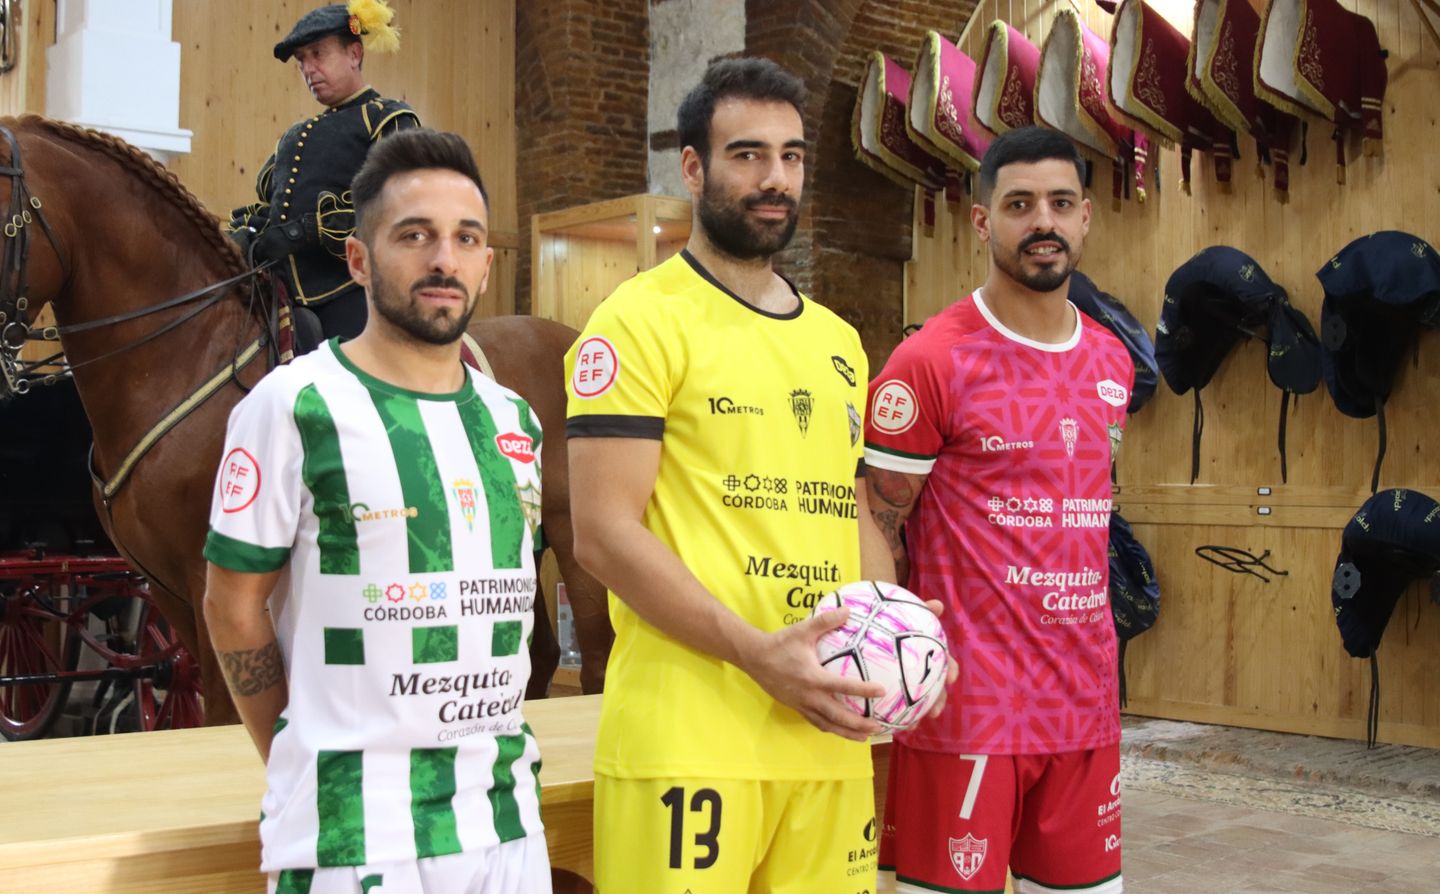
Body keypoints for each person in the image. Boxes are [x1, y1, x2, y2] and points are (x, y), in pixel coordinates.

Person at [564, 57, 947, 894]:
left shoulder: (839, 341)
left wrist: (902, 637)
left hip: (826, 738)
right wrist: (755, 653)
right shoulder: (638, 319)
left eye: (792, 155)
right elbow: (602, 532)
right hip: (690, 739)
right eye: (747, 155)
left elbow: (848, 512)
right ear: (694, 168)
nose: (775, 179)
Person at [203, 128, 552, 894]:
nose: (443, 260)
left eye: (465, 239)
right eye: (414, 236)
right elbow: (233, 606)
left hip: (503, 821)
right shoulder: (293, 406)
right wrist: (301, 755)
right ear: (359, 260)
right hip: (352, 833)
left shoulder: (514, 421)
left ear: (487, 266)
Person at [864, 126, 1132, 894]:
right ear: (983, 222)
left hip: (1085, 709)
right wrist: (895, 660)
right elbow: (875, 516)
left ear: (1085, 218)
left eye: (1059, 203)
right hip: (969, 712)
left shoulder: (1112, 362)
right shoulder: (931, 360)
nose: (1041, 221)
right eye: (1019, 205)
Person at [228, 0, 420, 340]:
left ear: (354, 54)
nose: (308, 68)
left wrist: (310, 231)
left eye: (318, 53)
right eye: (302, 60)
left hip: (351, 289)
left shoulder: (385, 117)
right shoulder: (292, 136)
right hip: (279, 292)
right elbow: (265, 207)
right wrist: (247, 236)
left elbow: (398, 205)